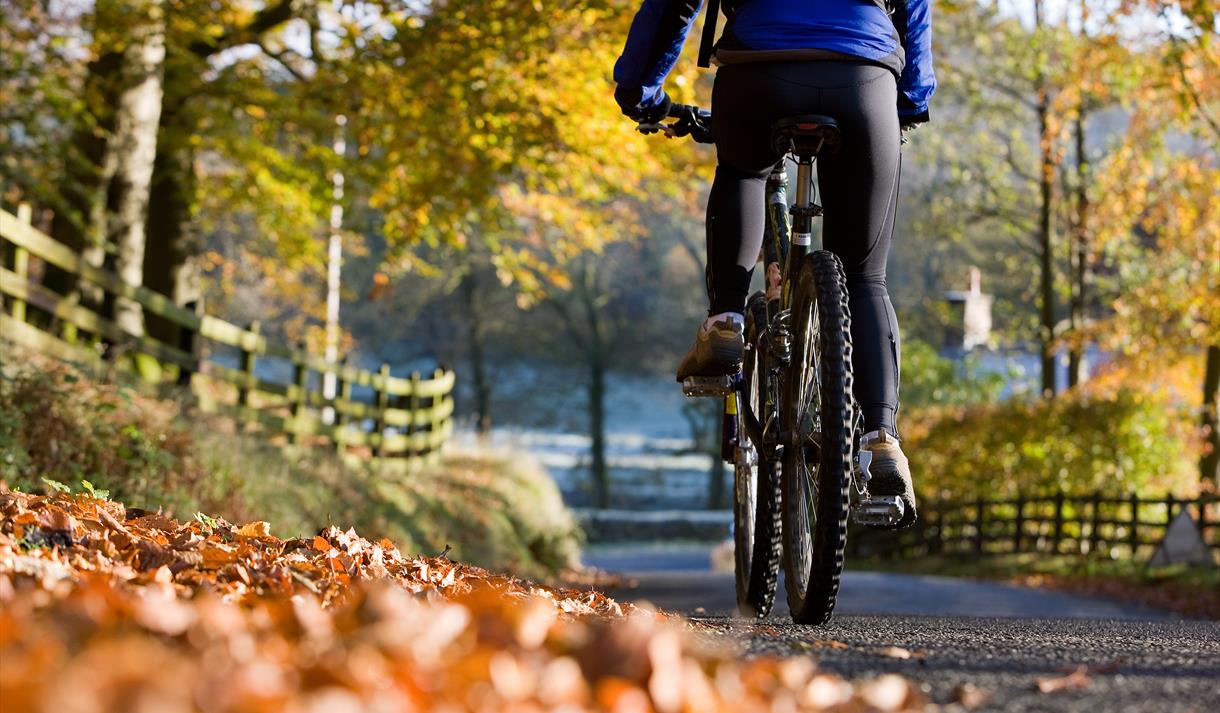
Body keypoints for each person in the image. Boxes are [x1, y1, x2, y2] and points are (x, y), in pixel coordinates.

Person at [613, 0, 935, 529]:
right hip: (863, 78)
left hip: (758, 72)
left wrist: (642, 94)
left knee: (743, 170)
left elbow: (674, 5)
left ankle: (727, 321)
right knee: (865, 278)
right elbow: (915, 8)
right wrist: (912, 98)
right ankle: (881, 444)